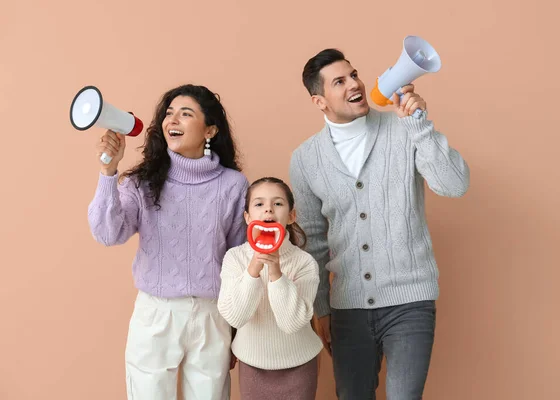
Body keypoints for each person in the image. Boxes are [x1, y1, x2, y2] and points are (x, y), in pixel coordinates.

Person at [289, 49, 470, 400]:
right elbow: (312, 239)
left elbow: (455, 185)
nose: (354, 84)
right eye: (339, 82)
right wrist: (321, 309)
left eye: (353, 74)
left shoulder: (403, 130)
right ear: (319, 100)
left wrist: (418, 123)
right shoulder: (306, 158)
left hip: (410, 301)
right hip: (348, 308)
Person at [88, 84, 249, 400]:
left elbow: (238, 260)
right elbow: (107, 234)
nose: (172, 120)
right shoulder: (141, 182)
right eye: (169, 113)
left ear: (210, 129)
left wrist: (236, 328)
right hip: (155, 315)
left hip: (212, 315)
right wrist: (108, 171)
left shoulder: (234, 184)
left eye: (186, 114)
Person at [217, 177, 323, 400]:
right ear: (248, 217)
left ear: (291, 216)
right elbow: (235, 317)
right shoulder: (234, 258)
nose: (268, 209)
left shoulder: (305, 263)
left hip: (299, 365)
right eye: (259, 204)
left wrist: (276, 273)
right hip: (253, 365)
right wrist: (254, 268)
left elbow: (291, 322)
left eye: (277, 203)